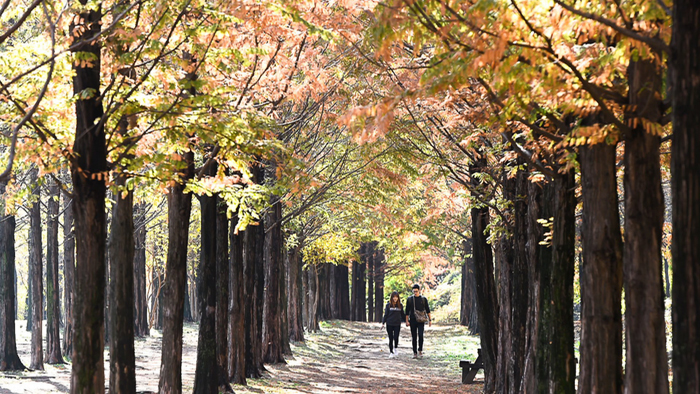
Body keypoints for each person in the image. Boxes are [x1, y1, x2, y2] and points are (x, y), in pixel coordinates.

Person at [405, 284, 431, 359]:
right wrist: (407, 321)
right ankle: (415, 352)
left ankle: (420, 350)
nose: (415, 293)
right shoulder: (410, 299)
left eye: (416, 291)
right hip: (413, 320)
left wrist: (430, 320)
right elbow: (407, 311)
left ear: (419, 290)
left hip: (421, 320)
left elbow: (427, 309)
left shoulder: (423, 299)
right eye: (414, 291)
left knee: (420, 335)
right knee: (414, 336)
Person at [381, 291, 405, 357]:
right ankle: (391, 352)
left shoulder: (400, 305)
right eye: (394, 297)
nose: (395, 298)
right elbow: (385, 315)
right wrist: (383, 323)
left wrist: (407, 321)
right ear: (392, 298)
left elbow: (402, 314)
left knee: (396, 337)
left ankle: (395, 348)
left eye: (396, 297)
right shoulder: (388, 305)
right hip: (389, 323)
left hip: (397, 324)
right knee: (390, 338)